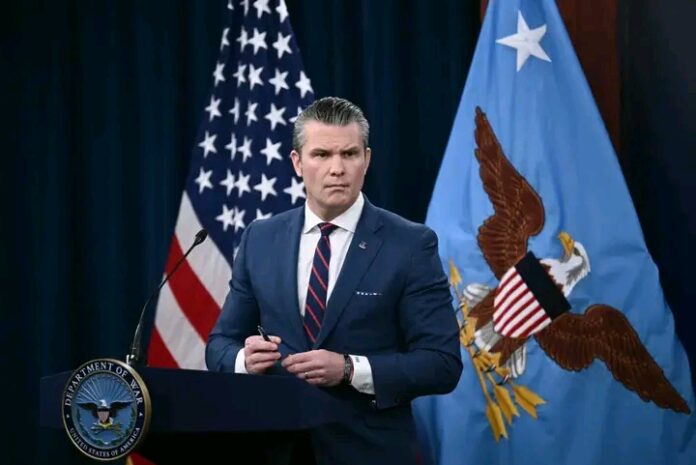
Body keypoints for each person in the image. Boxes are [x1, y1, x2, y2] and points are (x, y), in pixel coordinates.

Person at [206, 96, 462, 465]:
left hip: (369, 452)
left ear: (366, 160)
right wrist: (244, 360)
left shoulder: (410, 244)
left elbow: (441, 363)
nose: (337, 169)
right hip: (274, 449)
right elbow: (219, 344)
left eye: (349, 154)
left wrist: (349, 369)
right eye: (322, 155)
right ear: (297, 162)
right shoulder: (260, 239)